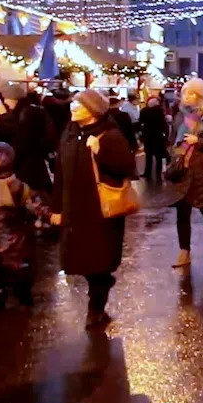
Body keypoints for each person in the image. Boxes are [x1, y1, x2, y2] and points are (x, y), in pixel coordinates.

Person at [50, 90, 136, 329]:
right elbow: (60, 174)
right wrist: (57, 208)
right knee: (81, 261)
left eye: (80, 104)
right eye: (73, 103)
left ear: (94, 110)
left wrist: (101, 151)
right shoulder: (69, 133)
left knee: (99, 262)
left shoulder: (110, 134)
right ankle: (98, 297)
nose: (73, 108)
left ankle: (95, 308)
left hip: (101, 212)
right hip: (74, 211)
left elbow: (127, 167)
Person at [170, 78, 203, 268]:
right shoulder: (179, 116)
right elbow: (172, 140)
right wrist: (174, 156)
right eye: (185, 92)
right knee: (182, 211)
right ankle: (184, 251)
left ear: (200, 96)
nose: (187, 96)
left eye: (192, 93)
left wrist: (198, 141)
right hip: (183, 170)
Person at [0, 142, 51, 308]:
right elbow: (37, 208)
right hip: (18, 246)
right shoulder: (20, 187)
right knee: (22, 285)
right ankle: (24, 306)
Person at [0, 81, 53, 193]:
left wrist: (4, 116)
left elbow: (19, 142)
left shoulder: (25, 115)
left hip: (26, 173)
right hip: (33, 171)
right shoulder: (30, 110)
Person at [140, 96, 169, 184]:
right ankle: (158, 174)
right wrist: (166, 136)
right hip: (158, 137)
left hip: (148, 137)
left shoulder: (144, 111)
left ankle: (147, 173)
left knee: (148, 156)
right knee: (158, 157)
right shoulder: (160, 112)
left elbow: (141, 122)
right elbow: (164, 125)